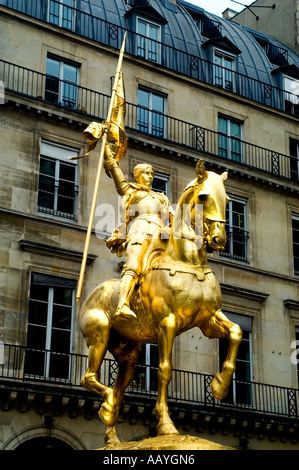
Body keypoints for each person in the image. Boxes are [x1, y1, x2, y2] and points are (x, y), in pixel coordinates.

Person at [103, 143, 173, 321]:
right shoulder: (131, 191)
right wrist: (106, 149)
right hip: (139, 230)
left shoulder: (160, 197)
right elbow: (114, 169)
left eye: (151, 174)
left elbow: (170, 220)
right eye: (146, 173)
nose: (150, 177)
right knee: (133, 266)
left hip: (160, 235)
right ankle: (122, 304)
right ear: (137, 176)